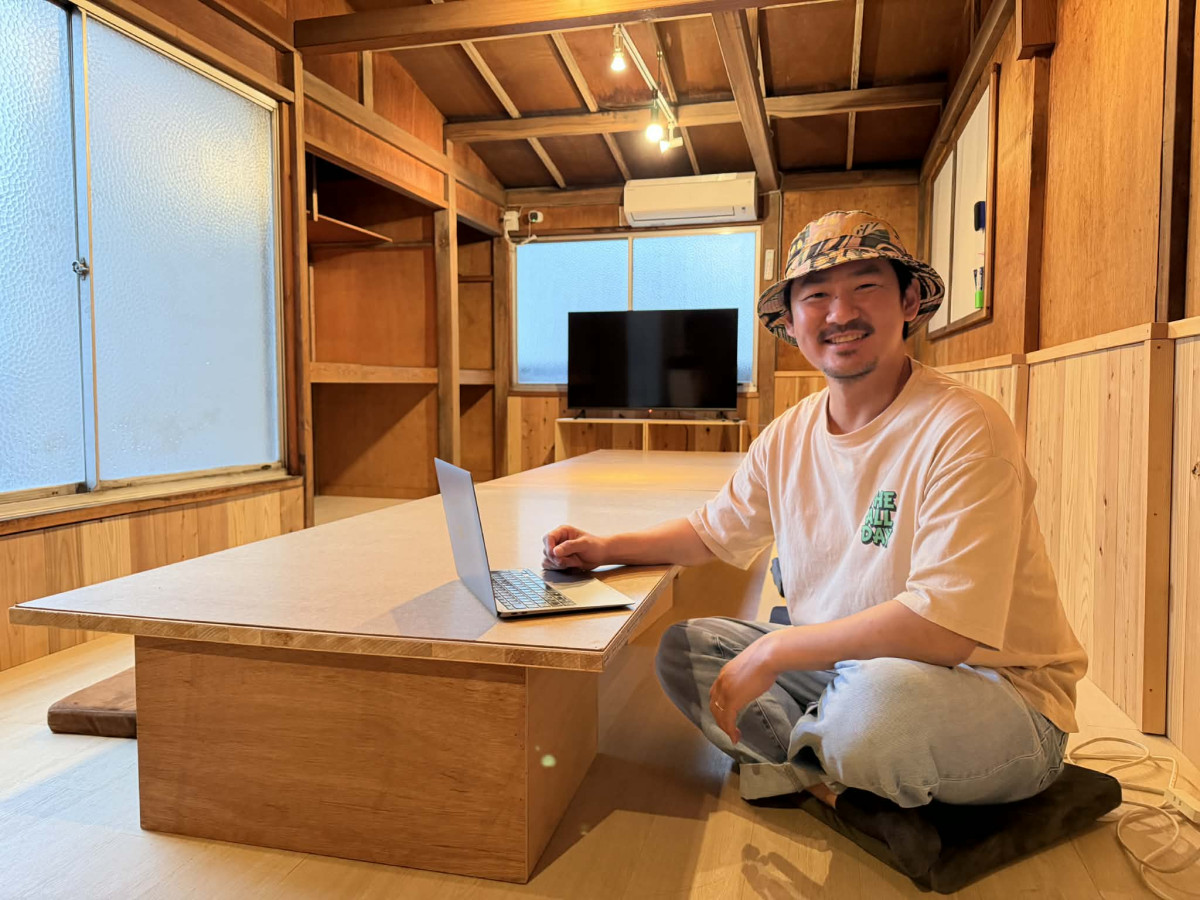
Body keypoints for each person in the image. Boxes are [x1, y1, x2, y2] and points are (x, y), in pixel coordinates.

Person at [541, 211, 1087, 838]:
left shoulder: (964, 426)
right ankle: (837, 777)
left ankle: (816, 764)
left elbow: (945, 629)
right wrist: (604, 547)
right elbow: (711, 530)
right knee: (686, 649)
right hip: (847, 666)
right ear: (792, 321)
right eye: (817, 295)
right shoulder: (788, 435)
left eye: (866, 287)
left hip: (995, 693)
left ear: (909, 301)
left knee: (872, 711)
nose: (840, 313)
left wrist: (776, 649)